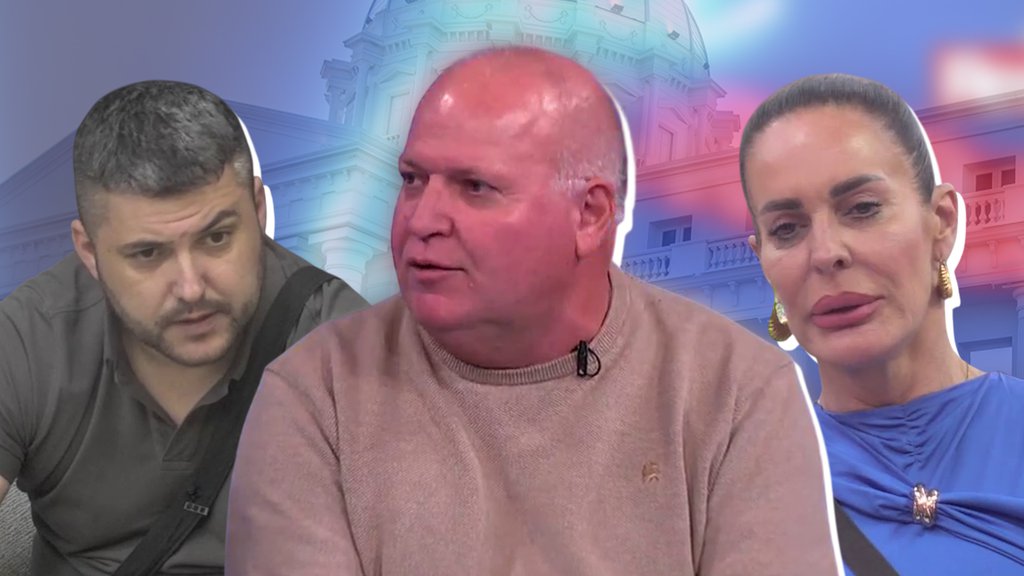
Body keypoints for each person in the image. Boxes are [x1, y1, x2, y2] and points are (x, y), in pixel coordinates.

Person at [226, 46, 842, 576]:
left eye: (475, 187)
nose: (421, 220)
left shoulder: (738, 391)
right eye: (412, 179)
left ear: (591, 215)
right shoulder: (313, 394)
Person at [0, 80, 368, 575]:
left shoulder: (343, 343)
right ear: (90, 252)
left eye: (217, 238)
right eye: (148, 253)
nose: (191, 288)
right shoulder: (29, 337)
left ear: (258, 211)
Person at [739, 73, 1024, 574]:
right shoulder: (737, 488)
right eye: (787, 229)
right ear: (761, 258)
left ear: (942, 222)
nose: (826, 253)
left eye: (863, 209)